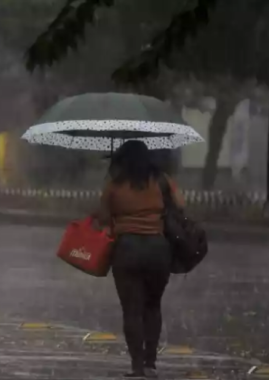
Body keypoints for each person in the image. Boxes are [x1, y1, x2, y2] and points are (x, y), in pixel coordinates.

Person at [97, 140, 185, 378]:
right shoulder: (162, 180)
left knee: (132, 310)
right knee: (153, 306)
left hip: (127, 249)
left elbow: (103, 217)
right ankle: (150, 363)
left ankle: (137, 366)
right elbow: (181, 206)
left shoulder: (114, 185)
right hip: (158, 249)